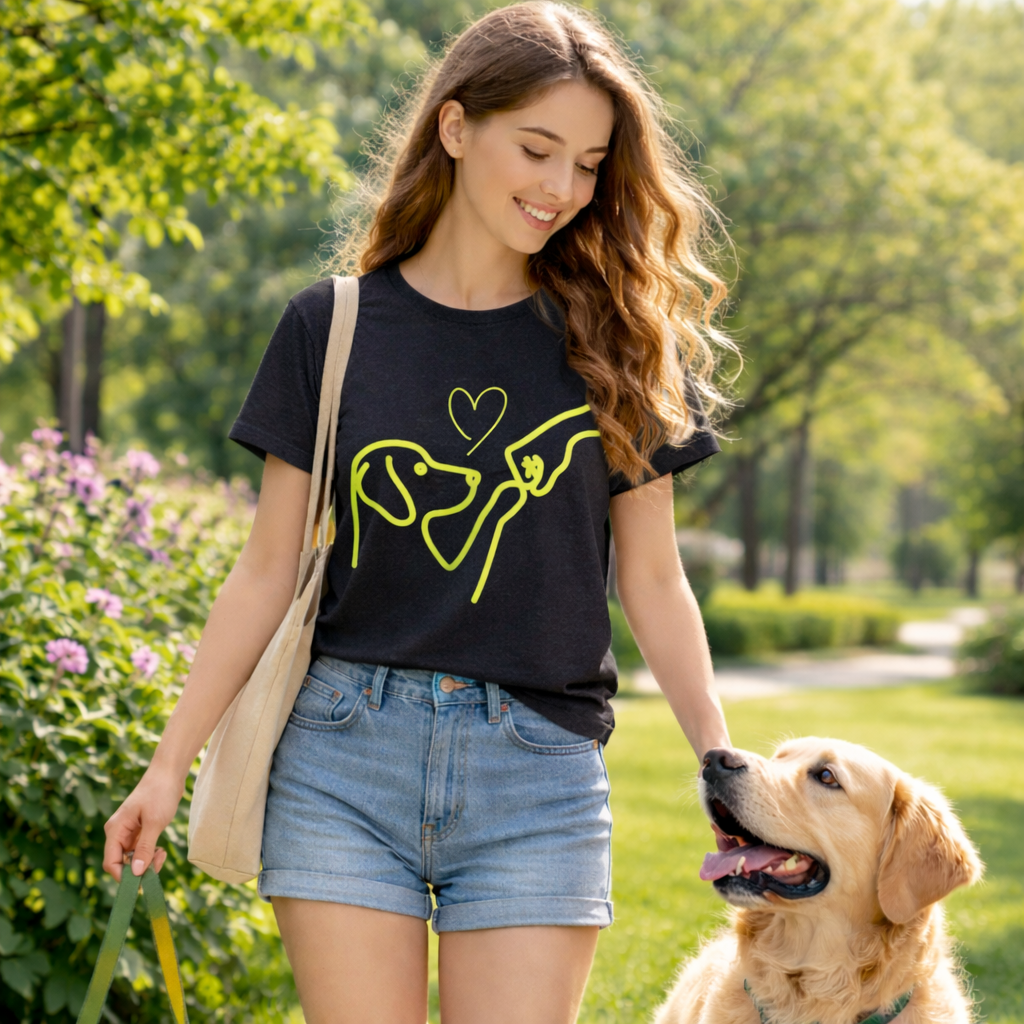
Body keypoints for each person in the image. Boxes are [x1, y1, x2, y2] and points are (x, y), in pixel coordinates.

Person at [103, 4, 734, 1021]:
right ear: (453, 128)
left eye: (586, 163)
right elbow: (266, 568)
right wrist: (168, 765)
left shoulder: (619, 343)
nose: (561, 188)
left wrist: (718, 762)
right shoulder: (333, 325)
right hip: (344, 757)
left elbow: (655, 580)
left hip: (537, 771)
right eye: (536, 149)